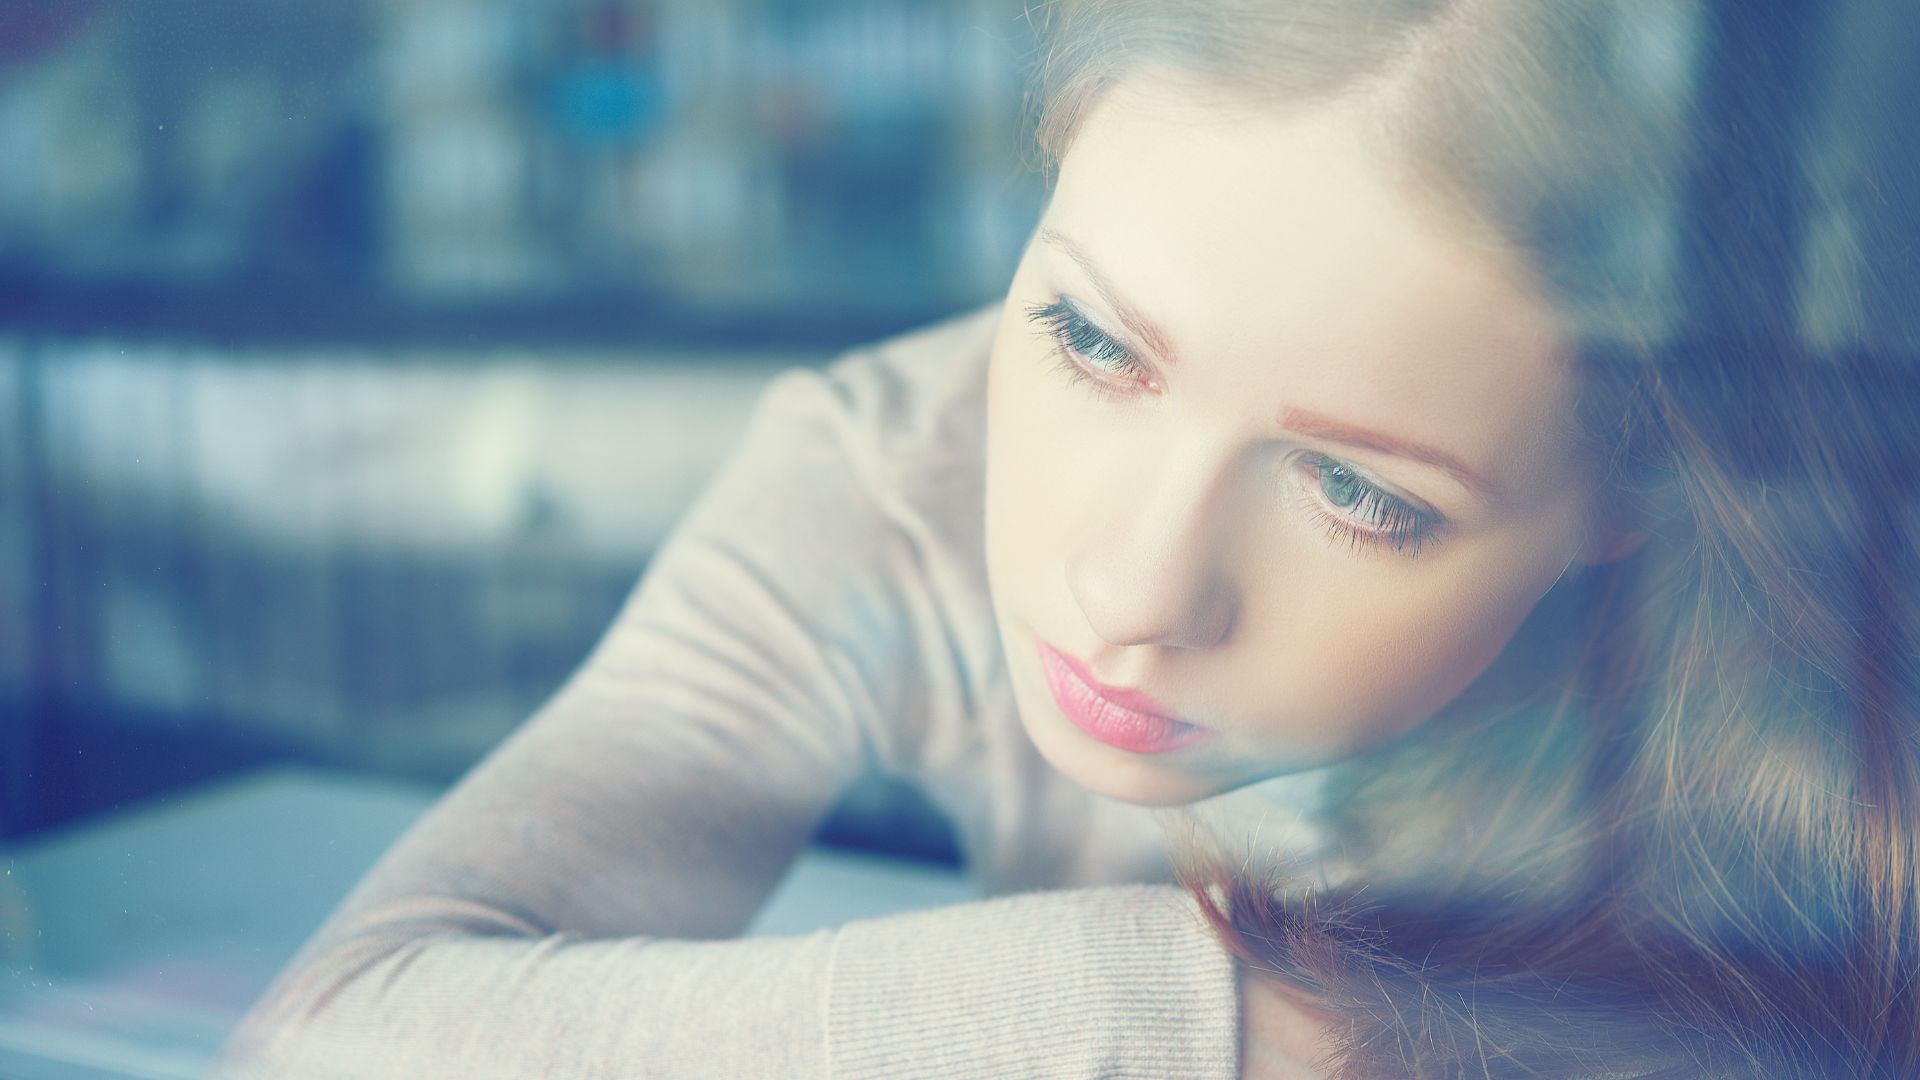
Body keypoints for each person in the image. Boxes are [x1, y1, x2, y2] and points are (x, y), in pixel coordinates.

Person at [212, 0, 1919, 1077]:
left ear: (1629, 501)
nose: (1126, 591)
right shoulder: (904, 453)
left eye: (1361, 494)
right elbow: (338, 1037)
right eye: (1094, 345)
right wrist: (1243, 1026)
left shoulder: (1808, 693)